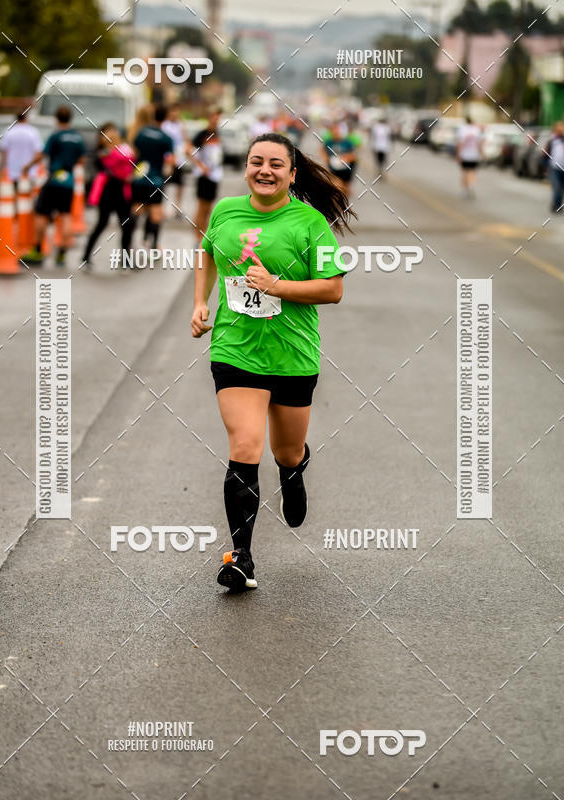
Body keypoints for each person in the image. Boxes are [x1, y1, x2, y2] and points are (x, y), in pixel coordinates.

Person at [190, 132, 356, 592]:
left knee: (285, 450)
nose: (265, 170)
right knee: (245, 446)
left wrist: (276, 286)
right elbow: (207, 256)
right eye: (256, 161)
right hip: (234, 348)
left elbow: (333, 289)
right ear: (246, 168)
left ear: (292, 174)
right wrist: (200, 303)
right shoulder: (225, 211)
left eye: (276, 164)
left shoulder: (310, 223)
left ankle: (293, 467)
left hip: (292, 356)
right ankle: (241, 558)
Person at [21, 105, 85, 267]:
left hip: (54, 179)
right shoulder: (78, 138)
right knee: (66, 215)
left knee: (41, 214)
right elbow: (82, 159)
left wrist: (28, 166)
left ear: (57, 118)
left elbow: (43, 154)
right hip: (69, 181)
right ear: (70, 118)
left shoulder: (56, 136)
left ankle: (37, 250)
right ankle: (62, 254)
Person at [82, 123, 135, 268]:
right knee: (105, 224)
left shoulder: (120, 151)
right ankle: (86, 256)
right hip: (111, 191)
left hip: (119, 191)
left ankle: (126, 260)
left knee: (124, 225)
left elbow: (129, 165)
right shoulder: (106, 155)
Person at [130, 104, 174, 250]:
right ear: (165, 118)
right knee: (156, 213)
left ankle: (129, 241)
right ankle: (153, 245)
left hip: (139, 178)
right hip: (156, 180)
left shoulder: (141, 133)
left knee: (136, 209)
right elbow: (169, 161)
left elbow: (134, 152)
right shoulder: (166, 138)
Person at [187, 107, 223, 250]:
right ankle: (197, 238)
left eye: (219, 117)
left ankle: (203, 236)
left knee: (208, 209)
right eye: (214, 116)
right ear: (209, 117)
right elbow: (188, 150)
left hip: (215, 176)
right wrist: (201, 166)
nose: (217, 119)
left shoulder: (217, 133)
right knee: (201, 208)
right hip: (204, 177)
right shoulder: (203, 134)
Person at [0, 109, 43, 189]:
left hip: (13, 167)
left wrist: (2, 168)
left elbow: (4, 152)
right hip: (30, 168)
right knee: (29, 190)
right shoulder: (33, 132)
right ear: (26, 118)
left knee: (15, 189)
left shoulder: (9, 131)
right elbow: (38, 152)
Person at [160, 104, 187, 218]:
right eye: (172, 111)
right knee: (164, 185)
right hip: (167, 160)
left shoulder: (181, 125)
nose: (174, 114)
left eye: (176, 111)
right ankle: (162, 209)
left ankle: (177, 208)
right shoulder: (164, 126)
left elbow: (185, 140)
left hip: (179, 160)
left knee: (180, 185)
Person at [320, 121, 358, 196]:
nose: (336, 132)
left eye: (337, 130)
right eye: (334, 130)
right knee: (337, 188)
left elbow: (354, 156)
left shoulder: (347, 142)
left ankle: (345, 197)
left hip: (346, 170)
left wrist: (344, 158)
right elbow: (322, 151)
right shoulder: (329, 142)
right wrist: (327, 160)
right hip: (334, 170)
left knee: (346, 191)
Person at [456, 116, 483, 198]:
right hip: (474, 154)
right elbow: (480, 143)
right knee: (472, 171)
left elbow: (460, 143)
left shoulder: (462, 129)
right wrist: (481, 153)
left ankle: (464, 189)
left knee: (464, 171)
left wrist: (458, 154)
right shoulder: (476, 130)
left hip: (465, 154)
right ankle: (471, 186)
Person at [546, 120, 564, 214]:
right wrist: (545, 167)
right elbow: (546, 154)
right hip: (555, 168)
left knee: (562, 188)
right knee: (557, 187)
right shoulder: (552, 140)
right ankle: (555, 206)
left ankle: (559, 206)